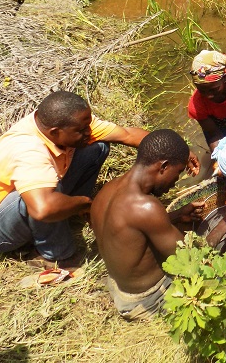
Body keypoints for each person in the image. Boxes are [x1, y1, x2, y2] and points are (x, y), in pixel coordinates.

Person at [0, 91, 150, 267]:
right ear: (55, 132)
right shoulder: (28, 150)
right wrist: (85, 203)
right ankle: (56, 257)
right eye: (81, 130)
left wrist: (171, 153)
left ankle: (66, 212)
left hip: (36, 202)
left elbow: (128, 135)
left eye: (87, 125)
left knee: (97, 147)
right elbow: (42, 209)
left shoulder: (67, 123)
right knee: (43, 198)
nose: (89, 131)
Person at [90, 129, 204, 321]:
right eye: (176, 174)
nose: (175, 183)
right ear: (164, 167)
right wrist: (220, 230)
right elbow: (188, 260)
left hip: (121, 289)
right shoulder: (146, 208)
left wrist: (175, 216)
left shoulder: (107, 191)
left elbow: (131, 228)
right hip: (148, 299)